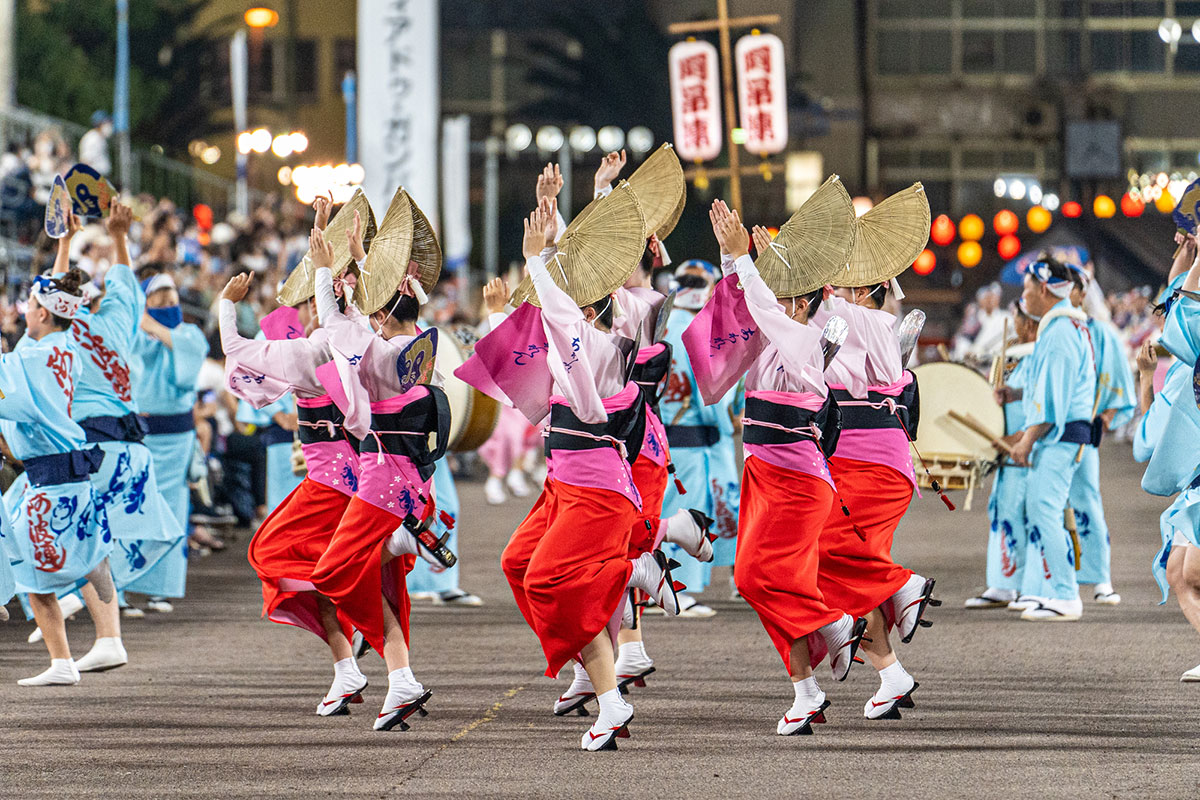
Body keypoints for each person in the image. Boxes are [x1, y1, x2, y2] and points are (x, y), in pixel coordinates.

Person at [497, 197, 682, 751]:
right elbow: (539, 340)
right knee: (518, 563)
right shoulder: (582, 335)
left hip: (599, 488)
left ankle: (611, 688)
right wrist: (553, 240)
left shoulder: (603, 337)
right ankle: (598, 657)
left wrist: (537, 261)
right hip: (567, 482)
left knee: (550, 581)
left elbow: (560, 312)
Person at [704, 200, 865, 735]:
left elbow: (766, 309)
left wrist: (743, 261)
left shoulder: (810, 337)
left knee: (757, 576)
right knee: (761, 583)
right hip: (766, 476)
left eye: (785, 287)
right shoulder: (779, 333)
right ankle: (806, 689)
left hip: (797, 485)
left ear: (812, 297)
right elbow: (746, 309)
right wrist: (736, 263)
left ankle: (833, 626)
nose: (775, 296)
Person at [307, 211, 449, 732]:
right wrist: (367, 266)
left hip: (380, 480)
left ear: (380, 313)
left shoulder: (371, 351)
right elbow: (377, 314)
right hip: (413, 481)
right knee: (388, 588)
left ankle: (399, 543)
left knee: (332, 572)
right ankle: (400, 679)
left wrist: (326, 271)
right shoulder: (421, 343)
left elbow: (333, 321)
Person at [798, 183, 935, 720]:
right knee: (847, 564)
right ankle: (889, 674)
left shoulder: (846, 315)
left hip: (861, 461)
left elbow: (805, 304)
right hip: (886, 460)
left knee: (828, 552)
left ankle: (903, 586)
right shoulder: (884, 323)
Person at [46, 200, 185, 668]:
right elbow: (125, 280)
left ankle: (63, 596)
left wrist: (65, 241)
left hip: (94, 449)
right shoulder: (118, 321)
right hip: (131, 451)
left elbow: (55, 292)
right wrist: (121, 235)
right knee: (96, 541)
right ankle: (104, 634)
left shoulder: (62, 330)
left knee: (48, 522)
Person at [0, 270, 111, 685]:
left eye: (29, 307)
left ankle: (63, 661)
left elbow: (13, 399)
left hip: (49, 474)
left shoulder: (31, 359)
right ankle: (79, 649)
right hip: (65, 469)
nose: (25, 312)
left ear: (43, 314)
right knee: (65, 556)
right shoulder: (65, 348)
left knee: (32, 571)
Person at [1008, 258, 1097, 621]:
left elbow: (1051, 399)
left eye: (1027, 287)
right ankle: (1055, 591)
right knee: (1045, 510)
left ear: (1044, 288)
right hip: (1066, 435)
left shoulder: (1060, 331)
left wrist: (1027, 439)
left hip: (1061, 436)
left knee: (1044, 510)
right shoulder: (1064, 326)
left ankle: (1065, 594)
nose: (1023, 295)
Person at [659, 259, 744, 607]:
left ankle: (663, 587)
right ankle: (678, 589)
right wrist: (730, 423)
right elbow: (709, 393)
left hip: (661, 436)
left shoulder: (659, 327)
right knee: (690, 511)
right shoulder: (696, 333)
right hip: (695, 441)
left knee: (663, 512)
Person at [1138, 233, 1200, 680]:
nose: (1165, 319)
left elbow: (1146, 442)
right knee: (1180, 574)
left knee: (1191, 573)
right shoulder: (1183, 365)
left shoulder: (1183, 366)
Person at [131, 271, 210, 610]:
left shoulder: (189, 333)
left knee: (173, 509)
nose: (165, 303)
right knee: (132, 507)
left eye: (171, 298)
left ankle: (160, 588)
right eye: (158, 298)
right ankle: (122, 588)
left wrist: (152, 324)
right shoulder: (134, 334)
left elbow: (188, 368)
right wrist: (142, 324)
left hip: (177, 438)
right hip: (141, 435)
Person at [1065, 265, 1135, 605]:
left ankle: (1099, 577)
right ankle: (1053, 581)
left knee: (1087, 499)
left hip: (1083, 427)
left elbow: (1118, 379)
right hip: (1047, 430)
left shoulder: (1101, 332)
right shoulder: (1046, 327)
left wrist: (1104, 418)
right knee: (1043, 508)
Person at [967, 301, 1037, 609]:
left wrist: (1020, 437)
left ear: (1030, 323)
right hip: (1006, 449)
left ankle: (1025, 585)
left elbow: (1043, 403)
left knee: (1024, 516)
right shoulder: (1015, 356)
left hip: (1027, 448)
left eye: (1018, 318)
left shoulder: (1038, 356)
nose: (1014, 323)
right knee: (1002, 513)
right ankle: (1003, 583)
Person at [78, 111, 113, 177]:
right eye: (107, 123)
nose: (110, 125)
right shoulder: (92, 139)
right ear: (99, 124)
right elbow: (85, 161)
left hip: (101, 176)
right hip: (95, 177)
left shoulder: (100, 138)